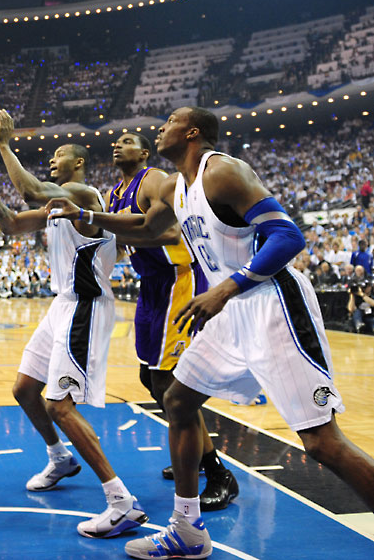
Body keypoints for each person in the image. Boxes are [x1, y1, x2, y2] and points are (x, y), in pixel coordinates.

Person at [48, 106, 374, 559]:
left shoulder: (222, 172)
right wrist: (85, 213)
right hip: (229, 311)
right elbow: (146, 227)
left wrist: (224, 289)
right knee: (178, 400)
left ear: (193, 132)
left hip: (272, 304)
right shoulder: (177, 187)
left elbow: (288, 236)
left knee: (321, 443)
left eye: (170, 122)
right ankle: (187, 530)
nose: (161, 128)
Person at [0, 109, 148, 540]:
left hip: (86, 305)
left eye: (59, 155)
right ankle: (60, 458)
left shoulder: (84, 194)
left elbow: (30, 190)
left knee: (59, 405)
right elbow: (11, 225)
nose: (51, 160)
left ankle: (121, 501)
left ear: (78, 163)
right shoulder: (58, 205)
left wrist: (4, 145)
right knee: (24, 389)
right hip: (62, 305)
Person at [107, 131, 238, 511]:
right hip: (150, 285)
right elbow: (123, 238)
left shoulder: (154, 180)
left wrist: (122, 230)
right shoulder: (116, 193)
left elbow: (172, 231)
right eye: (116, 141)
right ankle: (191, 451)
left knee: (171, 382)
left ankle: (217, 473)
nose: (117, 144)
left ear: (144, 152)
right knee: (150, 379)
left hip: (178, 280)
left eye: (127, 140)